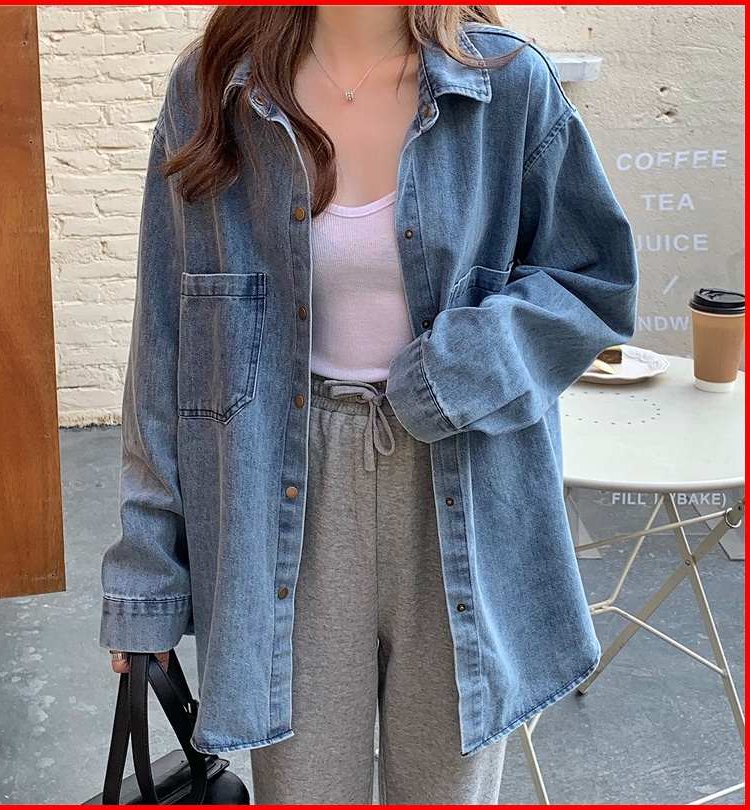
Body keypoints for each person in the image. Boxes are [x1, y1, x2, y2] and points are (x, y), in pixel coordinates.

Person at [100, 4, 639, 804]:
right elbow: (167, 351)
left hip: (464, 484)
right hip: (279, 499)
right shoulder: (214, 90)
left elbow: (593, 281)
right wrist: (146, 578)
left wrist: (454, 373)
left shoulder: (507, 86)